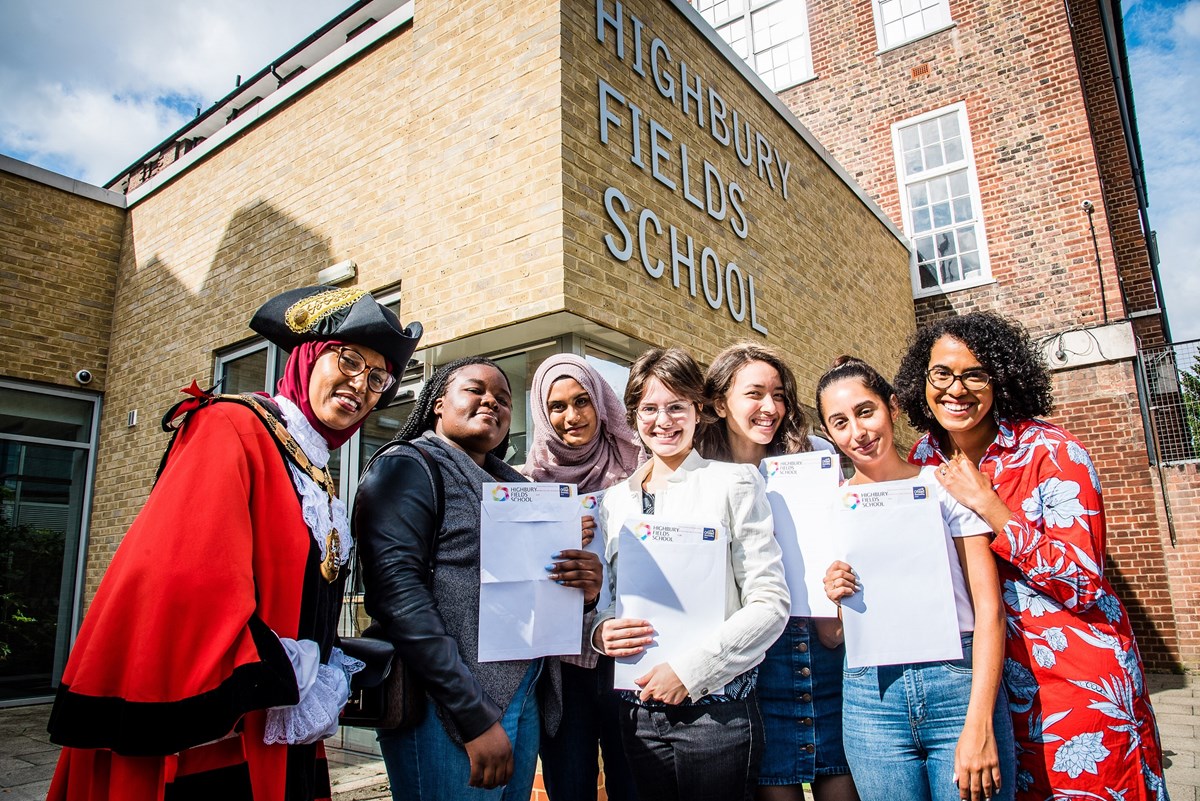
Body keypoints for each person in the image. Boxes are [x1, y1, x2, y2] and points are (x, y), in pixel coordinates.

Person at [46, 285, 423, 800]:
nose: (361, 384)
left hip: (278, 726)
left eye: (378, 378)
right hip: (215, 731)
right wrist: (281, 671)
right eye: (350, 360)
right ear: (308, 355)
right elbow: (181, 580)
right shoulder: (232, 425)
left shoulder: (315, 467)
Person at [894, 311, 1169, 800]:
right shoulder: (922, 459)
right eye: (942, 373)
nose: (956, 389)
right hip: (980, 685)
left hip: (1070, 681)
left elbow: (1083, 583)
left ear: (1001, 379)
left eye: (975, 374)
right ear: (923, 379)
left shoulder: (1050, 452)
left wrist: (990, 506)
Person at [354, 356, 604, 801]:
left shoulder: (515, 488)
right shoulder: (407, 466)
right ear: (437, 403)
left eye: (504, 399)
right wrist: (472, 715)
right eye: (475, 390)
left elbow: (528, 585)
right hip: (449, 710)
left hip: (522, 698)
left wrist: (582, 592)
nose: (492, 401)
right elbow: (398, 598)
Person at [591, 346, 790, 801]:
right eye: (649, 409)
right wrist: (600, 632)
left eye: (676, 407)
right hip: (637, 713)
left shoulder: (733, 483)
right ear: (632, 415)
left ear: (698, 411)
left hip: (715, 715)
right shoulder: (614, 501)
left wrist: (690, 670)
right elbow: (607, 599)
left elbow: (770, 604)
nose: (663, 421)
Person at [817, 356, 1014, 801]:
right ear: (829, 433)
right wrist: (833, 597)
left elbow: (990, 609)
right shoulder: (828, 507)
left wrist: (979, 720)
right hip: (871, 698)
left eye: (866, 412)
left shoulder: (946, 486)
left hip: (957, 683)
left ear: (893, 407)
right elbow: (831, 638)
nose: (858, 433)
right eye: (840, 422)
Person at [698, 342, 858, 801]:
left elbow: (844, 541)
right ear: (719, 400)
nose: (770, 407)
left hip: (819, 644)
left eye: (779, 394)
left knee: (840, 777)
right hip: (751, 659)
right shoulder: (700, 474)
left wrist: (838, 606)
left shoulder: (814, 457)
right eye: (755, 394)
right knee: (772, 787)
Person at [522, 353, 642, 801]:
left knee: (632, 784)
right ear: (542, 412)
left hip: (627, 656)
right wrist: (550, 537)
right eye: (557, 406)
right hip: (560, 668)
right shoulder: (527, 483)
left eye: (582, 401)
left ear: (601, 403)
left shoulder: (636, 468)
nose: (571, 416)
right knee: (569, 785)